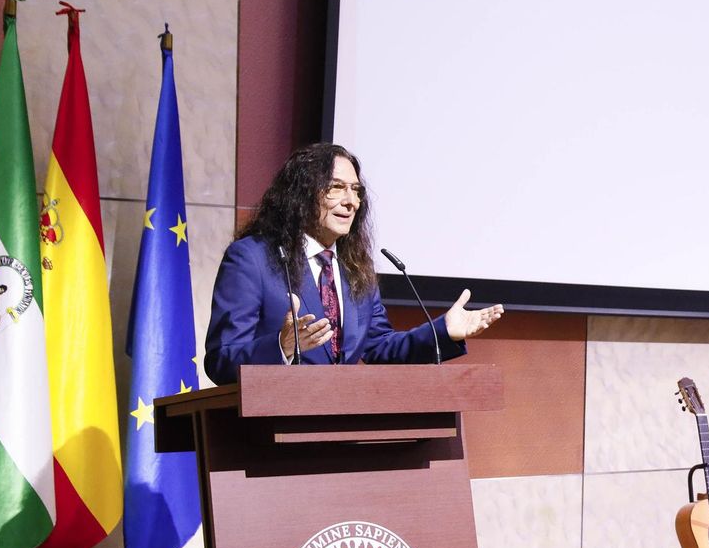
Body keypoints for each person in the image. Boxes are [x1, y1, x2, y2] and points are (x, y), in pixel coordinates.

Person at [205, 142, 502, 385]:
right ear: (301, 194)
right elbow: (221, 360)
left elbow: (379, 347)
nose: (352, 202)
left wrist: (443, 331)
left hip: (344, 436)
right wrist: (281, 347)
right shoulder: (253, 258)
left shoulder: (353, 268)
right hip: (272, 437)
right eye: (337, 187)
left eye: (356, 190)